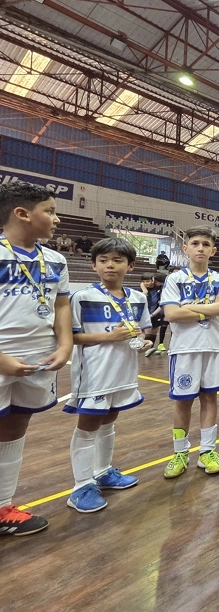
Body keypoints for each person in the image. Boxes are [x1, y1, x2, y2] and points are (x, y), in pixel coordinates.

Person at [0, 180, 72, 535]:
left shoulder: (55, 259)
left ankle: (2, 506)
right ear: (22, 214)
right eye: (51, 211)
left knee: (15, 427)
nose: (57, 219)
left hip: (37, 359)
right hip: (1, 357)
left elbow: (61, 305)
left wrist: (65, 345)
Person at [64, 238, 152, 512]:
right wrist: (109, 336)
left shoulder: (138, 298)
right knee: (88, 425)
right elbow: (70, 338)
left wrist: (144, 340)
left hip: (123, 371)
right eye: (103, 260)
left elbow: (141, 330)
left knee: (109, 420)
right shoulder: (82, 297)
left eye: (117, 260)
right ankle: (80, 486)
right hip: (94, 373)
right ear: (93, 265)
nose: (110, 265)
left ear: (131, 265)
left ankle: (102, 472)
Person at [160, 227, 219, 478]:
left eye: (205, 244)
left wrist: (189, 306)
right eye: (195, 243)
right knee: (183, 401)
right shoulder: (174, 279)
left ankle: (207, 451)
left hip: (213, 347)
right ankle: (180, 453)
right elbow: (171, 314)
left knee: (210, 398)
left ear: (213, 250)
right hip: (184, 349)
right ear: (186, 248)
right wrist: (208, 309)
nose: (200, 248)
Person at [142, 272, 169, 356]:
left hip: (155, 313)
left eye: (148, 281)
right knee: (147, 332)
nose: (146, 283)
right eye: (144, 281)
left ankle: (150, 350)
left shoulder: (160, 288)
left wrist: (153, 314)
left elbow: (161, 304)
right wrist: (144, 290)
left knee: (154, 331)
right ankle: (144, 348)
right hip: (146, 313)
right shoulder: (143, 289)